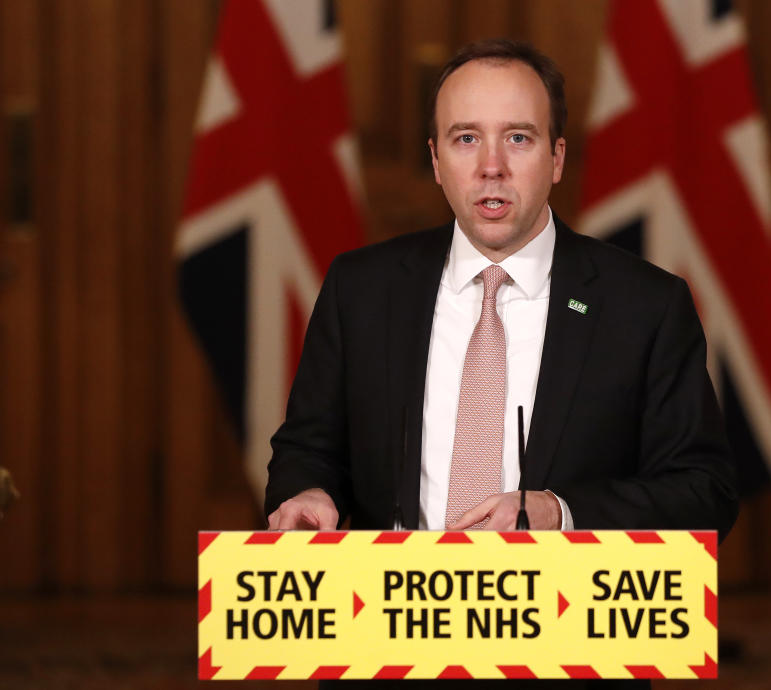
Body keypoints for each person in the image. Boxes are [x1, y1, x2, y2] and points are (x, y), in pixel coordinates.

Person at [266, 38, 736, 545]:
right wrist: (309, 491)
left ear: (557, 158)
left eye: (518, 138)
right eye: (466, 139)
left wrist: (562, 513)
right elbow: (306, 450)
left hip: (568, 615)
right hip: (395, 611)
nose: (492, 165)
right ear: (437, 161)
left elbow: (703, 492)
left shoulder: (646, 307)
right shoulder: (359, 290)